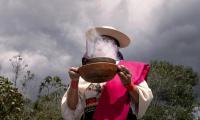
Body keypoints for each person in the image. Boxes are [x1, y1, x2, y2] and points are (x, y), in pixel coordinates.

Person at [61, 26, 153, 120]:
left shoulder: (129, 70)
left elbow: (143, 101)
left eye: (105, 42)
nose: (100, 46)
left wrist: (129, 85)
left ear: (115, 47)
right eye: (97, 42)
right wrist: (75, 81)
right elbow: (72, 107)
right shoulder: (85, 72)